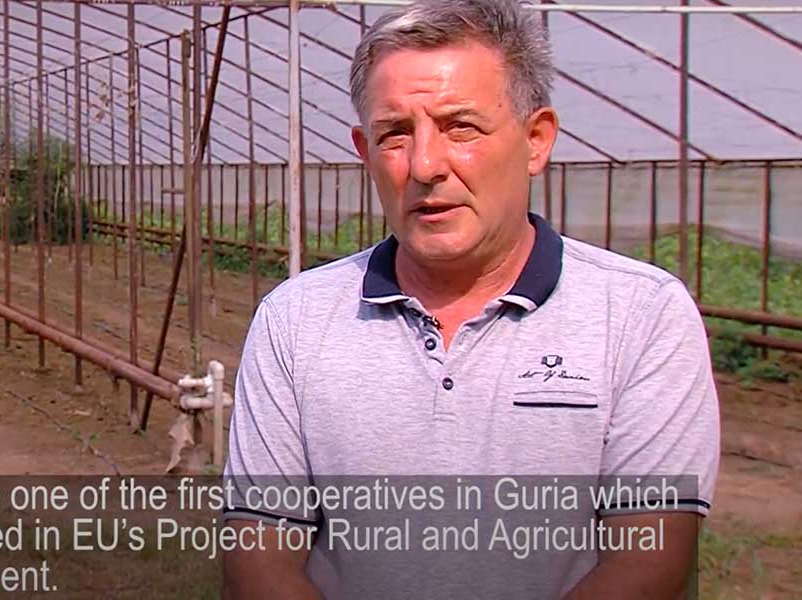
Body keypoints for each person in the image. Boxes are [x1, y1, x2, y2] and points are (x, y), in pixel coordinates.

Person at [221, 0, 720, 598]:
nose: (426, 165)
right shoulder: (295, 320)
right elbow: (259, 553)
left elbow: (647, 563)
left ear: (536, 140)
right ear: (364, 150)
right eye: (395, 134)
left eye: (462, 127)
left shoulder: (640, 316)